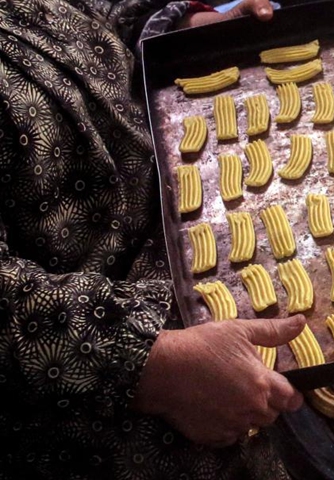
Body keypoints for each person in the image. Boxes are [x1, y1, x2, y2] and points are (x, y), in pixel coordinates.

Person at [0, 1, 304, 478]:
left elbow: (97, 14)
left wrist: (181, 30)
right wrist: (155, 365)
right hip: (103, 405)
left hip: (197, 247)